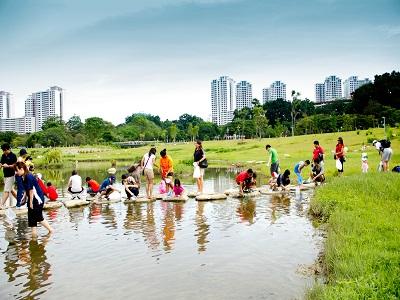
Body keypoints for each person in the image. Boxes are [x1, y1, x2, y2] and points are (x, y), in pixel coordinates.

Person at [15, 161, 53, 237]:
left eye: (17, 170)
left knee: (38, 217)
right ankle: (34, 237)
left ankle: (51, 231)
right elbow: (26, 189)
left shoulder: (28, 176)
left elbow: (31, 190)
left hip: (37, 199)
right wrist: (24, 198)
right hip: (32, 198)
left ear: (21, 169)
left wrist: (31, 202)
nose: (16, 172)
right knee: (31, 218)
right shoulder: (23, 176)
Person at [0, 143, 17, 209]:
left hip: (11, 175)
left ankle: (1, 205)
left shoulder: (13, 156)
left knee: (6, 190)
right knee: (11, 190)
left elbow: (15, 165)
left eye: (4, 150)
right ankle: (20, 201)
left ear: (7, 149)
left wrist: (8, 166)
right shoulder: (3, 155)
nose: (4, 152)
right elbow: (1, 163)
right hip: (5, 175)